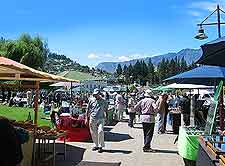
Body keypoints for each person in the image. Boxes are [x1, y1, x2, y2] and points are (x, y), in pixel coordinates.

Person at [85, 89, 108, 153]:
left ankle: (100, 146)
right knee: (93, 133)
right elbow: (88, 109)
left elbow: (106, 110)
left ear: (99, 94)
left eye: (96, 94)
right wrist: (86, 118)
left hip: (101, 118)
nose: (95, 96)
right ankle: (96, 145)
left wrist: (107, 118)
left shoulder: (104, 101)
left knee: (100, 131)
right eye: (94, 94)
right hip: (93, 118)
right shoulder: (91, 100)